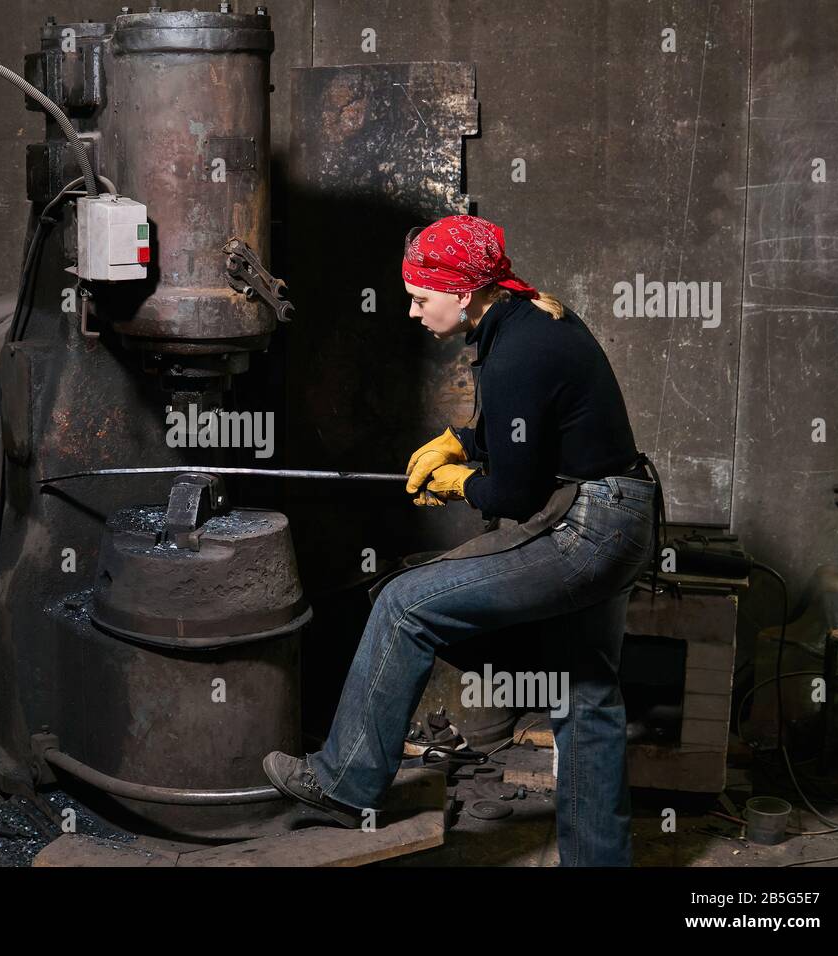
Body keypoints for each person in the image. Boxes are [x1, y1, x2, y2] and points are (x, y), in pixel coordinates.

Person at [263, 214, 664, 866]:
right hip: (619, 512)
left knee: (403, 605)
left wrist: (456, 483)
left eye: (422, 298)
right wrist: (459, 442)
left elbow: (513, 494)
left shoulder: (518, 352)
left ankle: (345, 783)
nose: (414, 311)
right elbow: (527, 434)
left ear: (465, 293)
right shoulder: (529, 317)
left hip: (589, 529)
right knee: (585, 695)